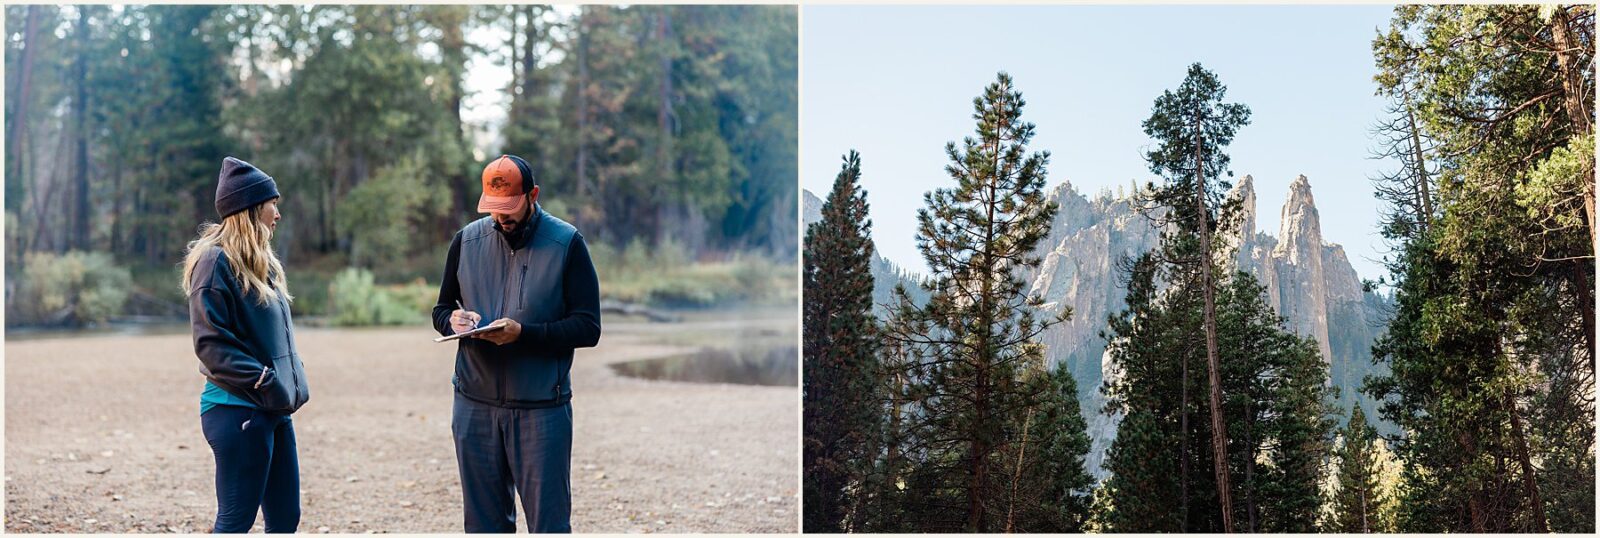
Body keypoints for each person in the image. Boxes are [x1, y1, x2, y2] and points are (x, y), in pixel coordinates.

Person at [432, 154, 602, 533]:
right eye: (493, 209)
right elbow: (442, 309)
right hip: (474, 406)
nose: (500, 217)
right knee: (483, 527)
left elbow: (588, 327)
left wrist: (523, 335)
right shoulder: (465, 241)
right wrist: (452, 321)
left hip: (542, 409)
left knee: (549, 526)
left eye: (508, 208)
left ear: (533, 195)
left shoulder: (567, 243)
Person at [182, 156, 310, 534]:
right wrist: (264, 380)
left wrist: (284, 383)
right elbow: (209, 344)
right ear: (252, 208)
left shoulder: (262, 264)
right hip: (237, 410)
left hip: (273, 408)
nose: (278, 214)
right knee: (236, 521)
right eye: (274, 204)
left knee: (285, 518)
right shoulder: (214, 262)